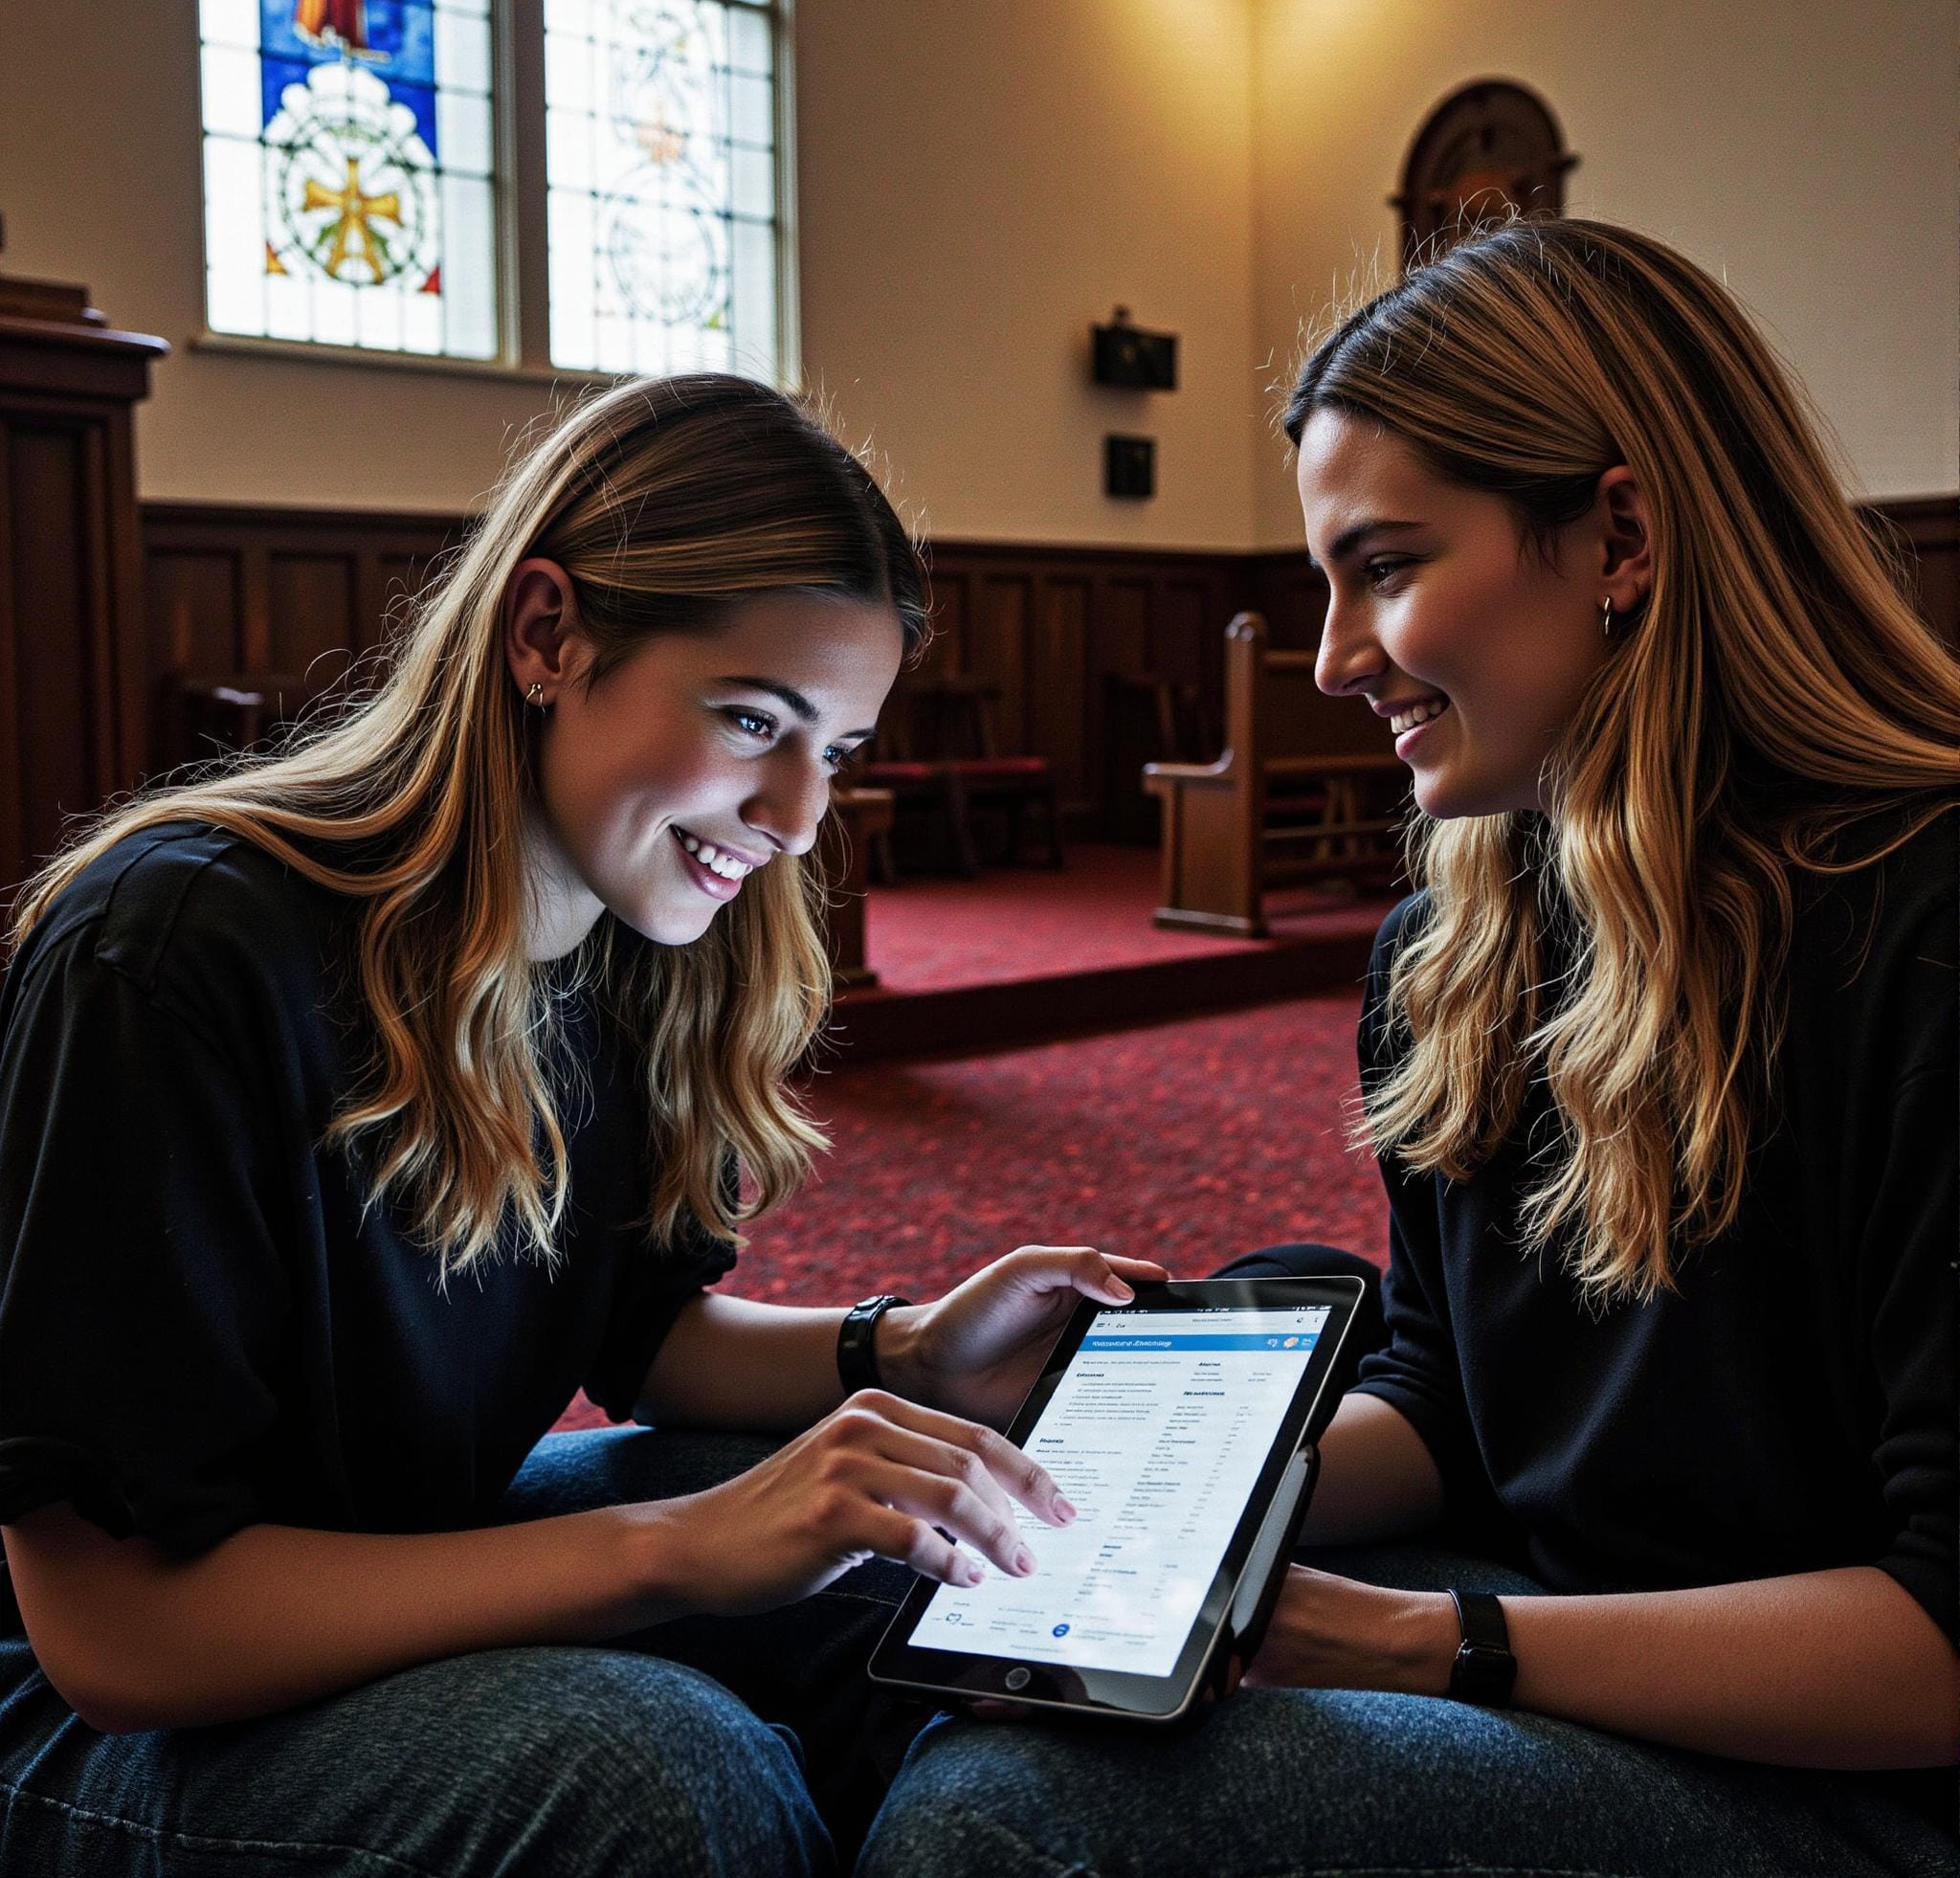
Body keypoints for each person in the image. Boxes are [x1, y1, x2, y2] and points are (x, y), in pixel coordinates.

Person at [858, 218, 1960, 1877]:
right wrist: (1096, 1502)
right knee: (899, 1622)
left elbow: (1944, 1634)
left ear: (1621, 536)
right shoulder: (1455, 939)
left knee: (1011, 1825)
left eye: (1383, 567)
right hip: (1560, 1619)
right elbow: (1455, 1404)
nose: (1329, 659)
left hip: (1847, 1752)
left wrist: (1415, 1642)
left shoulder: (1924, 925)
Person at [0, 372, 1163, 1876]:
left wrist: (910, 1349)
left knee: (891, 1572)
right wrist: (673, 1554)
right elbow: (122, 1636)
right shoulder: (175, 948)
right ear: (548, 635)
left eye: (842, 751)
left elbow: (635, 1332)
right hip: (93, 1704)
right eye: (755, 721)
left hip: (384, 1556)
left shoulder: (623, 935)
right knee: (652, 1778)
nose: (803, 816)